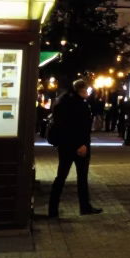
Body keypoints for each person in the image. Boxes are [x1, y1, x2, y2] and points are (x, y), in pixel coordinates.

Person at [48, 79, 103, 218]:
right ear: (82, 90)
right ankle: (85, 206)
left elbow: (61, 124)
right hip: (79, 145)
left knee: (61, 176)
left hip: (64, 145)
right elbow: (81, 127)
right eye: (87, 90)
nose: (88, 93)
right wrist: (82, 144)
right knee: (82, 177)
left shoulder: (62, 101)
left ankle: (52, 208)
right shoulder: (80, 105)